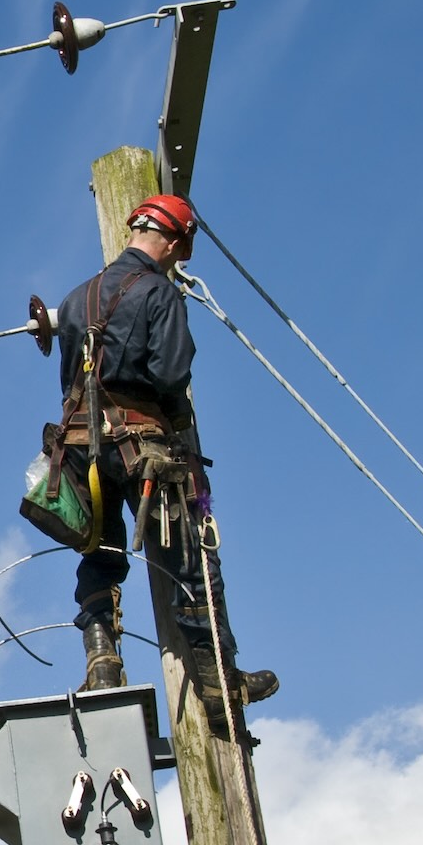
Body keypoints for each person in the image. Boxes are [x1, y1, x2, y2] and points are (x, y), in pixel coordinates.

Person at [44, 193, 277, 711]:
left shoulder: (76, 298)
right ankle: (218, 686)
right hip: (144, 448)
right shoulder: (159, 293)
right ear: (175, 240)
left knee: (98, 552)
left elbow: (69, 381)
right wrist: (175, 432)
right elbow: (172, 375)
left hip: (79, 451)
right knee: (191, 557)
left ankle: (102, 665)